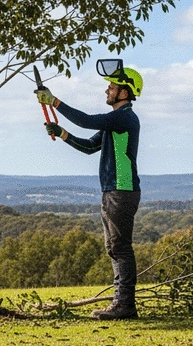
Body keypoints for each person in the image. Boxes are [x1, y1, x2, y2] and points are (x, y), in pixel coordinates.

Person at [37, 60, 143, 320]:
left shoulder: (124, 116)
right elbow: (88, 147)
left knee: (120, 248)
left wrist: (54, 102)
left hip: (122, 190)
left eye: (112, 87)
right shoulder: (115, 122)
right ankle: (121, 303)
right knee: (113, 247)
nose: (107, 90)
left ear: (125, 92)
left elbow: (85, 121)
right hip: (112, 190)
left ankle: (125, 306)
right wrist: (63, 134)